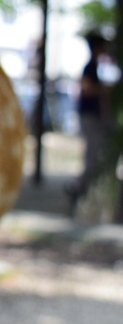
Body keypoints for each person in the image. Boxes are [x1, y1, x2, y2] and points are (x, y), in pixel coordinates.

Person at [67, 33, 112, 211]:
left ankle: (81, 190)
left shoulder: (96, 68)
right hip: (89, 117)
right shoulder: (90, 68)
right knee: (91, 157)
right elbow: (85, 89)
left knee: (94, 156)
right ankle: (77, 189)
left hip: (94, 117)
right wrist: (104, 89)